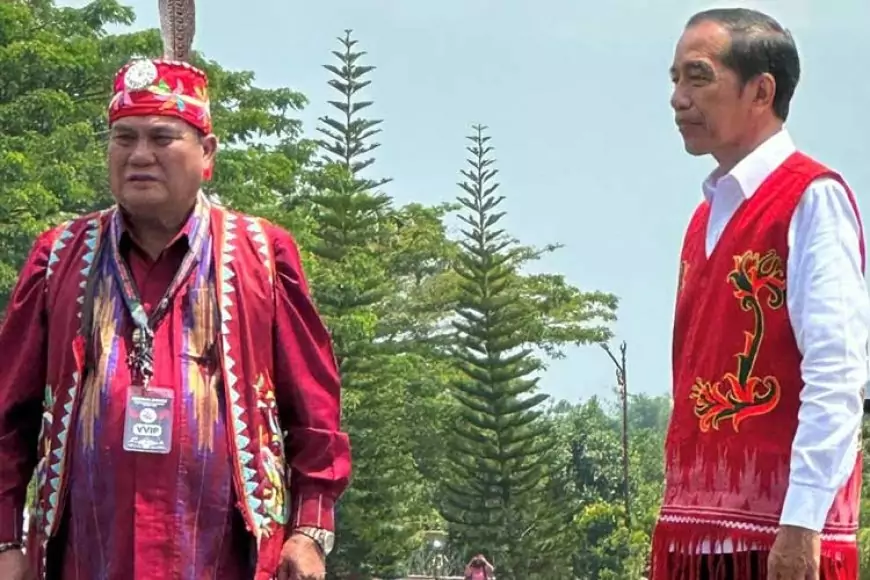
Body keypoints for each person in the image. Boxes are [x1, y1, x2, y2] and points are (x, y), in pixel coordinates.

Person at [0, 1, 350, 579]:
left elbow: (314, 409)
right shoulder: (59, 257)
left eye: (162, 137)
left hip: (223, 557)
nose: (139, 155)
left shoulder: (261, 255)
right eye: (123, 137)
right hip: (86, 555)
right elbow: (7, 412)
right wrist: (5, 539)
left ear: (206, 154)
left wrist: (310, 531)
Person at [651, 7, 868, 580]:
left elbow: (838, 371)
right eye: (674, 79)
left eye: (698, 77)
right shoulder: (703, 220)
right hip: (695, 538)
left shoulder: (811, 199)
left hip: (776, 542)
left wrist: (801, 525)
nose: (678, 98)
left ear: (760, 90)